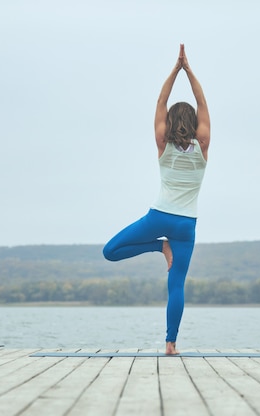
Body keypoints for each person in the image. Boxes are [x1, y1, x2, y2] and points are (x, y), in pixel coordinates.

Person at [102, 44, 210, 355]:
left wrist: (175, 70)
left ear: (169, 122)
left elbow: (161, 100)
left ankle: (157, 246)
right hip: (187, 225)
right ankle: (170, 344)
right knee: (176, 286)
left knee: (110, 251)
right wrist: (189, 71)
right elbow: (202, 101)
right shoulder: (203, 145)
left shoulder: (163, 145)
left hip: (159, 217)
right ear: (194, 125)